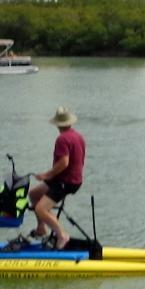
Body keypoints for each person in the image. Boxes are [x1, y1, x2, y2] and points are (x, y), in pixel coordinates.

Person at [31, 106, 85, 249]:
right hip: (70, 179)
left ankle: (62, 235)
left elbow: (64, 162)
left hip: (65, 182)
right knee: (34, 195)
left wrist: (46, 175)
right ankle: (41, 228)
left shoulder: (62, 139)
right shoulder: (78, 136)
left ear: (58, 124)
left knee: (40, 209)